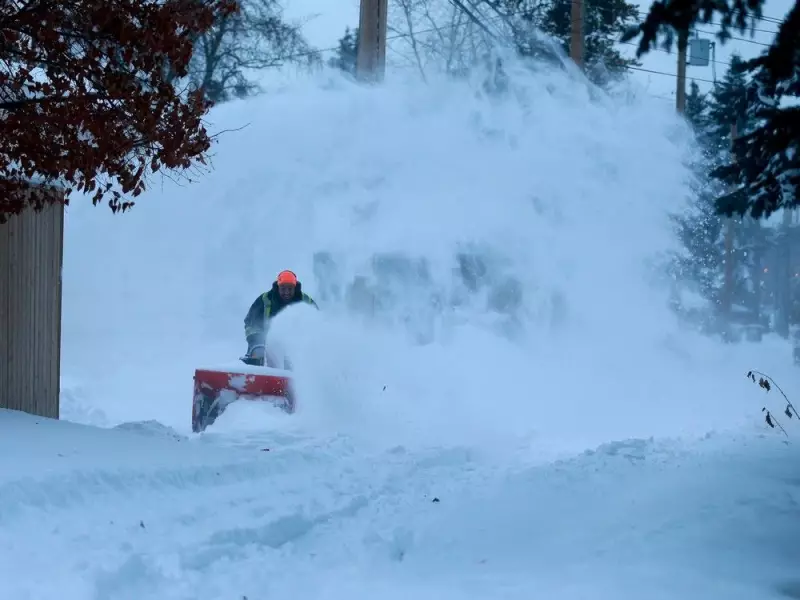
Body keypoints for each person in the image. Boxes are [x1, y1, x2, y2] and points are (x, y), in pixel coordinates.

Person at [242, 270, 318, 365]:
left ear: (295, 288)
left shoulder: (306, 301)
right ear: (277, 287)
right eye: (283, 288)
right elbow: (250, 322)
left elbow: (317, 324)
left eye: (290, 289)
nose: (286, 292)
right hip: (265, 347)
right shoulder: (265, 300)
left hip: (297, 351)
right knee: (258, 354)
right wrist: (256, 339)